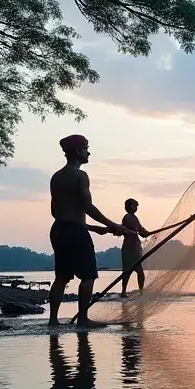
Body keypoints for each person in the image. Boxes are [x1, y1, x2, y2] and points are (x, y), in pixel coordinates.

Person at [48, 133, 125, 329]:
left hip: (59, 231)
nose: (88, 152)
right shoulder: (80, 175)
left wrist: (92, 227)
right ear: (76, 151)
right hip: (75, 232)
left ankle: (53, 321)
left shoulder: (56, 177)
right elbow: (87, 206)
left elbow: (55, 212)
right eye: (86, 148)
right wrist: (112, 225)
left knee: (61, 277)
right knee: (88, 276)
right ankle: (83, 320)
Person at [119, 198, 151, 297]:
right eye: (135, 206)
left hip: (136, 247)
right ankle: (123, 292)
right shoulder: (127, 218)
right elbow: (128, 230)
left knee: (140, 272)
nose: (136, 208)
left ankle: (141, 291)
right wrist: (140, 232)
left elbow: (140, 229)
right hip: (129, 247)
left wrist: (145, 232)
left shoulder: (134, 218)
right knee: (127, 272)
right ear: (131, 207)